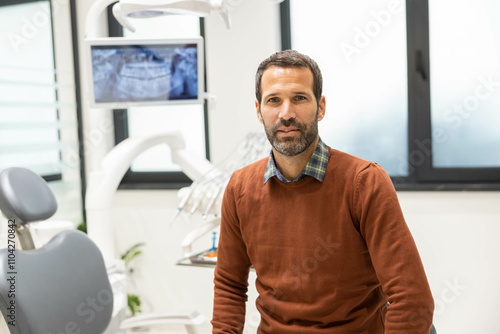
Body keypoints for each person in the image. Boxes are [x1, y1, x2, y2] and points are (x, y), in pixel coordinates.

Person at [212, 50, 434, 334]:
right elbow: (230, 286)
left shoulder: (364, 183)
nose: (286, 113)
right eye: (274, 100)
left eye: (300, 98)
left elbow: (413, 300)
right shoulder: (240, 188)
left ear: (321, 107)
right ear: (258, 111)